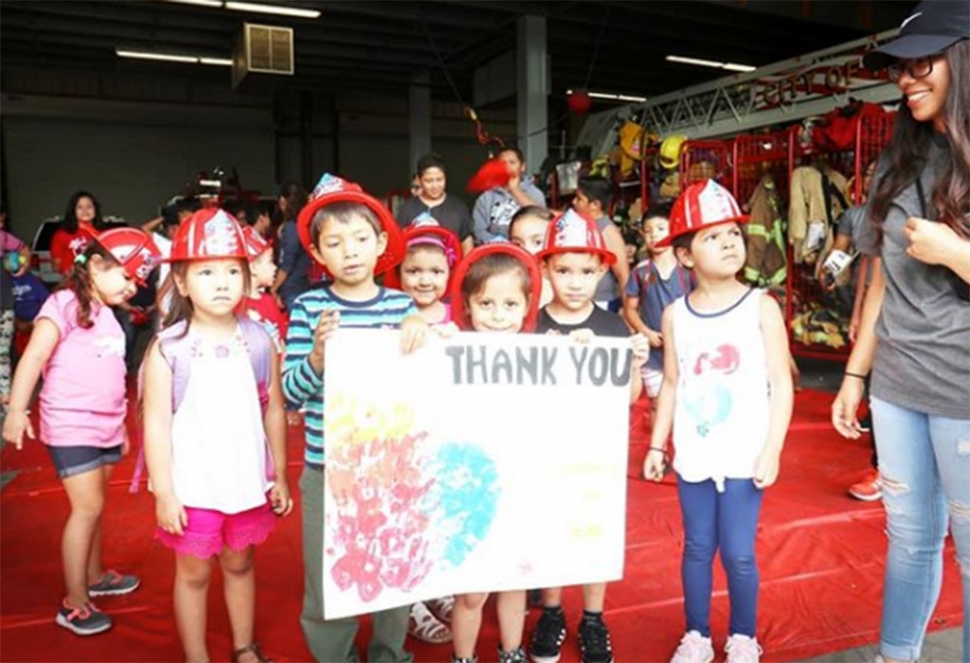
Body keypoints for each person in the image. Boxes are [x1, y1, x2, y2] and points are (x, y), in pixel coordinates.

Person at [832, 4, 970, 662]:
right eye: (901, 69)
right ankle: (896, 655)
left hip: (964, 391)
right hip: (895, 388)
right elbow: (882, 280)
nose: (907, 79)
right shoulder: (898, 163)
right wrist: (856, 374)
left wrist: (955, 253)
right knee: (910, 537)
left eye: (924, 63)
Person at [643, 180, 793, 663]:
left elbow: (781, 383)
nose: (730, 242)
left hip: (746, 453)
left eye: (732, 232)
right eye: (712, 236)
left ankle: (744, 636)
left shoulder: (761, 306)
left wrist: (771, 450)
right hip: (695, 452)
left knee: (739, 552)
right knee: (697, 547)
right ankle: (697, 636)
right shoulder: (674, 316)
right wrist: (656, 445)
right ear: (685, 256)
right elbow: (671, 382)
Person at [283, 173, 428, 663]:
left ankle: (391, 652)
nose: (350, 251)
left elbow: (425, 385)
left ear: (382, 243)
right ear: (319, 254)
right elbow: (289, 394)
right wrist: (318, 357)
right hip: (327, 467)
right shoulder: (307, 309)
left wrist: (419, 326)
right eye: (335, 243)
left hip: (391, 467)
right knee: (328, 575)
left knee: (394, 564)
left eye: (361, 239)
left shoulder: (403, 307)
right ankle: (336, 656)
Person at [141, 209, 291, 663]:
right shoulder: (170, 347)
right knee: (193, 573)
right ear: (183, 283)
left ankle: (244, 647)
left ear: (247, 280)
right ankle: (197, 655)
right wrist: (165, 491)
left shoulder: (261, 341)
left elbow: (274, 411)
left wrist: (279, 474)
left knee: (241, 563)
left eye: (232, 271)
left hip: (245, 481)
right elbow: (156, 423)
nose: (222, 282)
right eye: (206, 271)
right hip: (193, 488)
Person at [2, 228, 161, 636]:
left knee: (95, 507)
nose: (131, 288)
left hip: (105, 426)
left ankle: (93, 577)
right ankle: (74, 602)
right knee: (86, 508)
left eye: (135, 282)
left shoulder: (108, 314)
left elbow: (110, 377)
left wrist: (122, 427)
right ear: (94, 266)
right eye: (126, 278)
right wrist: (17, 409)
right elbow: (34, 354)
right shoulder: (63, 304)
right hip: (71, 424)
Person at [529, 210, 650, 663]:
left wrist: (635, 364)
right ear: (546, 269)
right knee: (552, 534)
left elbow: (629, 397)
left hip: (597, 453)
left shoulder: (615, 327)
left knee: (595, 533)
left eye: (585, 271)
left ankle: (594, 617)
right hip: (545, 451)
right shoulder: (530, 326)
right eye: (563, 270)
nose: (575, 282)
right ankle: (553, 612)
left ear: (602, 270)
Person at [447, 242, 543, 663]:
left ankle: (512, 652)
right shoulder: (450, 349)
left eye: (510, 303)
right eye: (486, 303)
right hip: (470, 492)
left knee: (514, 581)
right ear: (467, 305)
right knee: (472, 590)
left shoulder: (541, 354)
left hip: (521, 488)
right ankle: (463, 658)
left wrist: (580, 347)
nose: (498, 314)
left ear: (527, 307)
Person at [622, 203, 694, 428]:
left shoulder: (689, 271)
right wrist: (646, 332)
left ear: (674, 231)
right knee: (656, 403)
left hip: (685, 348)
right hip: (653, 352)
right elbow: (630, 309)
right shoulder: (641, 272)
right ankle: (659, 450)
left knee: (686, 402)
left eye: (661, 229)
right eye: (649, 230)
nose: (654, 235)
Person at [384, 221, 463, 326]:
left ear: (449, 275)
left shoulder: (458, 315)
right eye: (414, 271)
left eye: (436, 272)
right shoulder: (386, 314)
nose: (425, 282)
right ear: (399, 273)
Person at [571, 177, 630, 313]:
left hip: (602, 302)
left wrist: (627, 311)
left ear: (595, 205)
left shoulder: (608, 232)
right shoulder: (581, 223)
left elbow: (623, 275)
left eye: (579, 199)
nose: (574, 202)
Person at [397, 153, 475, 255]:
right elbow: (399, 243)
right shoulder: (408, 208)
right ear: (419, 180)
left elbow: (466, 244)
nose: (435, 186)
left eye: (439, 180)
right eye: (429, 181)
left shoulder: (458, 207)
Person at [472, 146, 546, 245]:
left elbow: (542, 221)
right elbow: (478, 229)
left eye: (512, 162)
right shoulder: (486, 197)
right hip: (494, 252)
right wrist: (496, 242)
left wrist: (515, 189)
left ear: (523, 166)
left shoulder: (535, 194)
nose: (507, 167)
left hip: (526, 250)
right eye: (502, 163)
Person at [0, 213, 32, 411]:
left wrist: (22, 266)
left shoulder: (3, 238)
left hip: (3, 304)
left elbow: (23, 249)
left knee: (2, 354)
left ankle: (4, 400)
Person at [239, 226, 288, 353]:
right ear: (253, 268)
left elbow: (281, 343)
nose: (274, 267)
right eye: (270, 262)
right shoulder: (236, 307)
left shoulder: (270, 301)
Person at [271, 182, 312, 311]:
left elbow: (286, 264)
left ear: (283, 201)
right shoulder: (304, 225)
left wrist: (273, 288)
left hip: (291, 288)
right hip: (302, 284)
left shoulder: (291, 227)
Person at [50, 191, 109, 276]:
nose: (85, 210)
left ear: (95, 210)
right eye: (80, 207)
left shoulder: (105, 235)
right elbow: (56, 266)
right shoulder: (62, 235)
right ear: (73, 210)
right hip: (72, 284)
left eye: (89, 207)